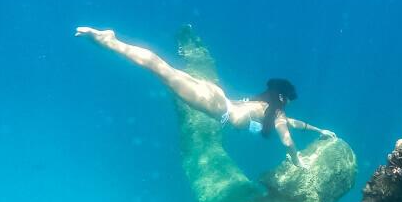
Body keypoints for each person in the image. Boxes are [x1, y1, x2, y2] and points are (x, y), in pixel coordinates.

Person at [75, 27, 334, 166]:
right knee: (159, 69)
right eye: (288, 99)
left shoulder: (266, 106)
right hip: (216, 105)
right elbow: (287, 139)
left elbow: (291, 124)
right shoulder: (275, 113)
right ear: (283, 97)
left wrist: (318, 129)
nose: (288, 105)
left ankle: (110, 40)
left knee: (165, 70)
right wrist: (297, 161)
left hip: (217, 97)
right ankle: (108, 41)